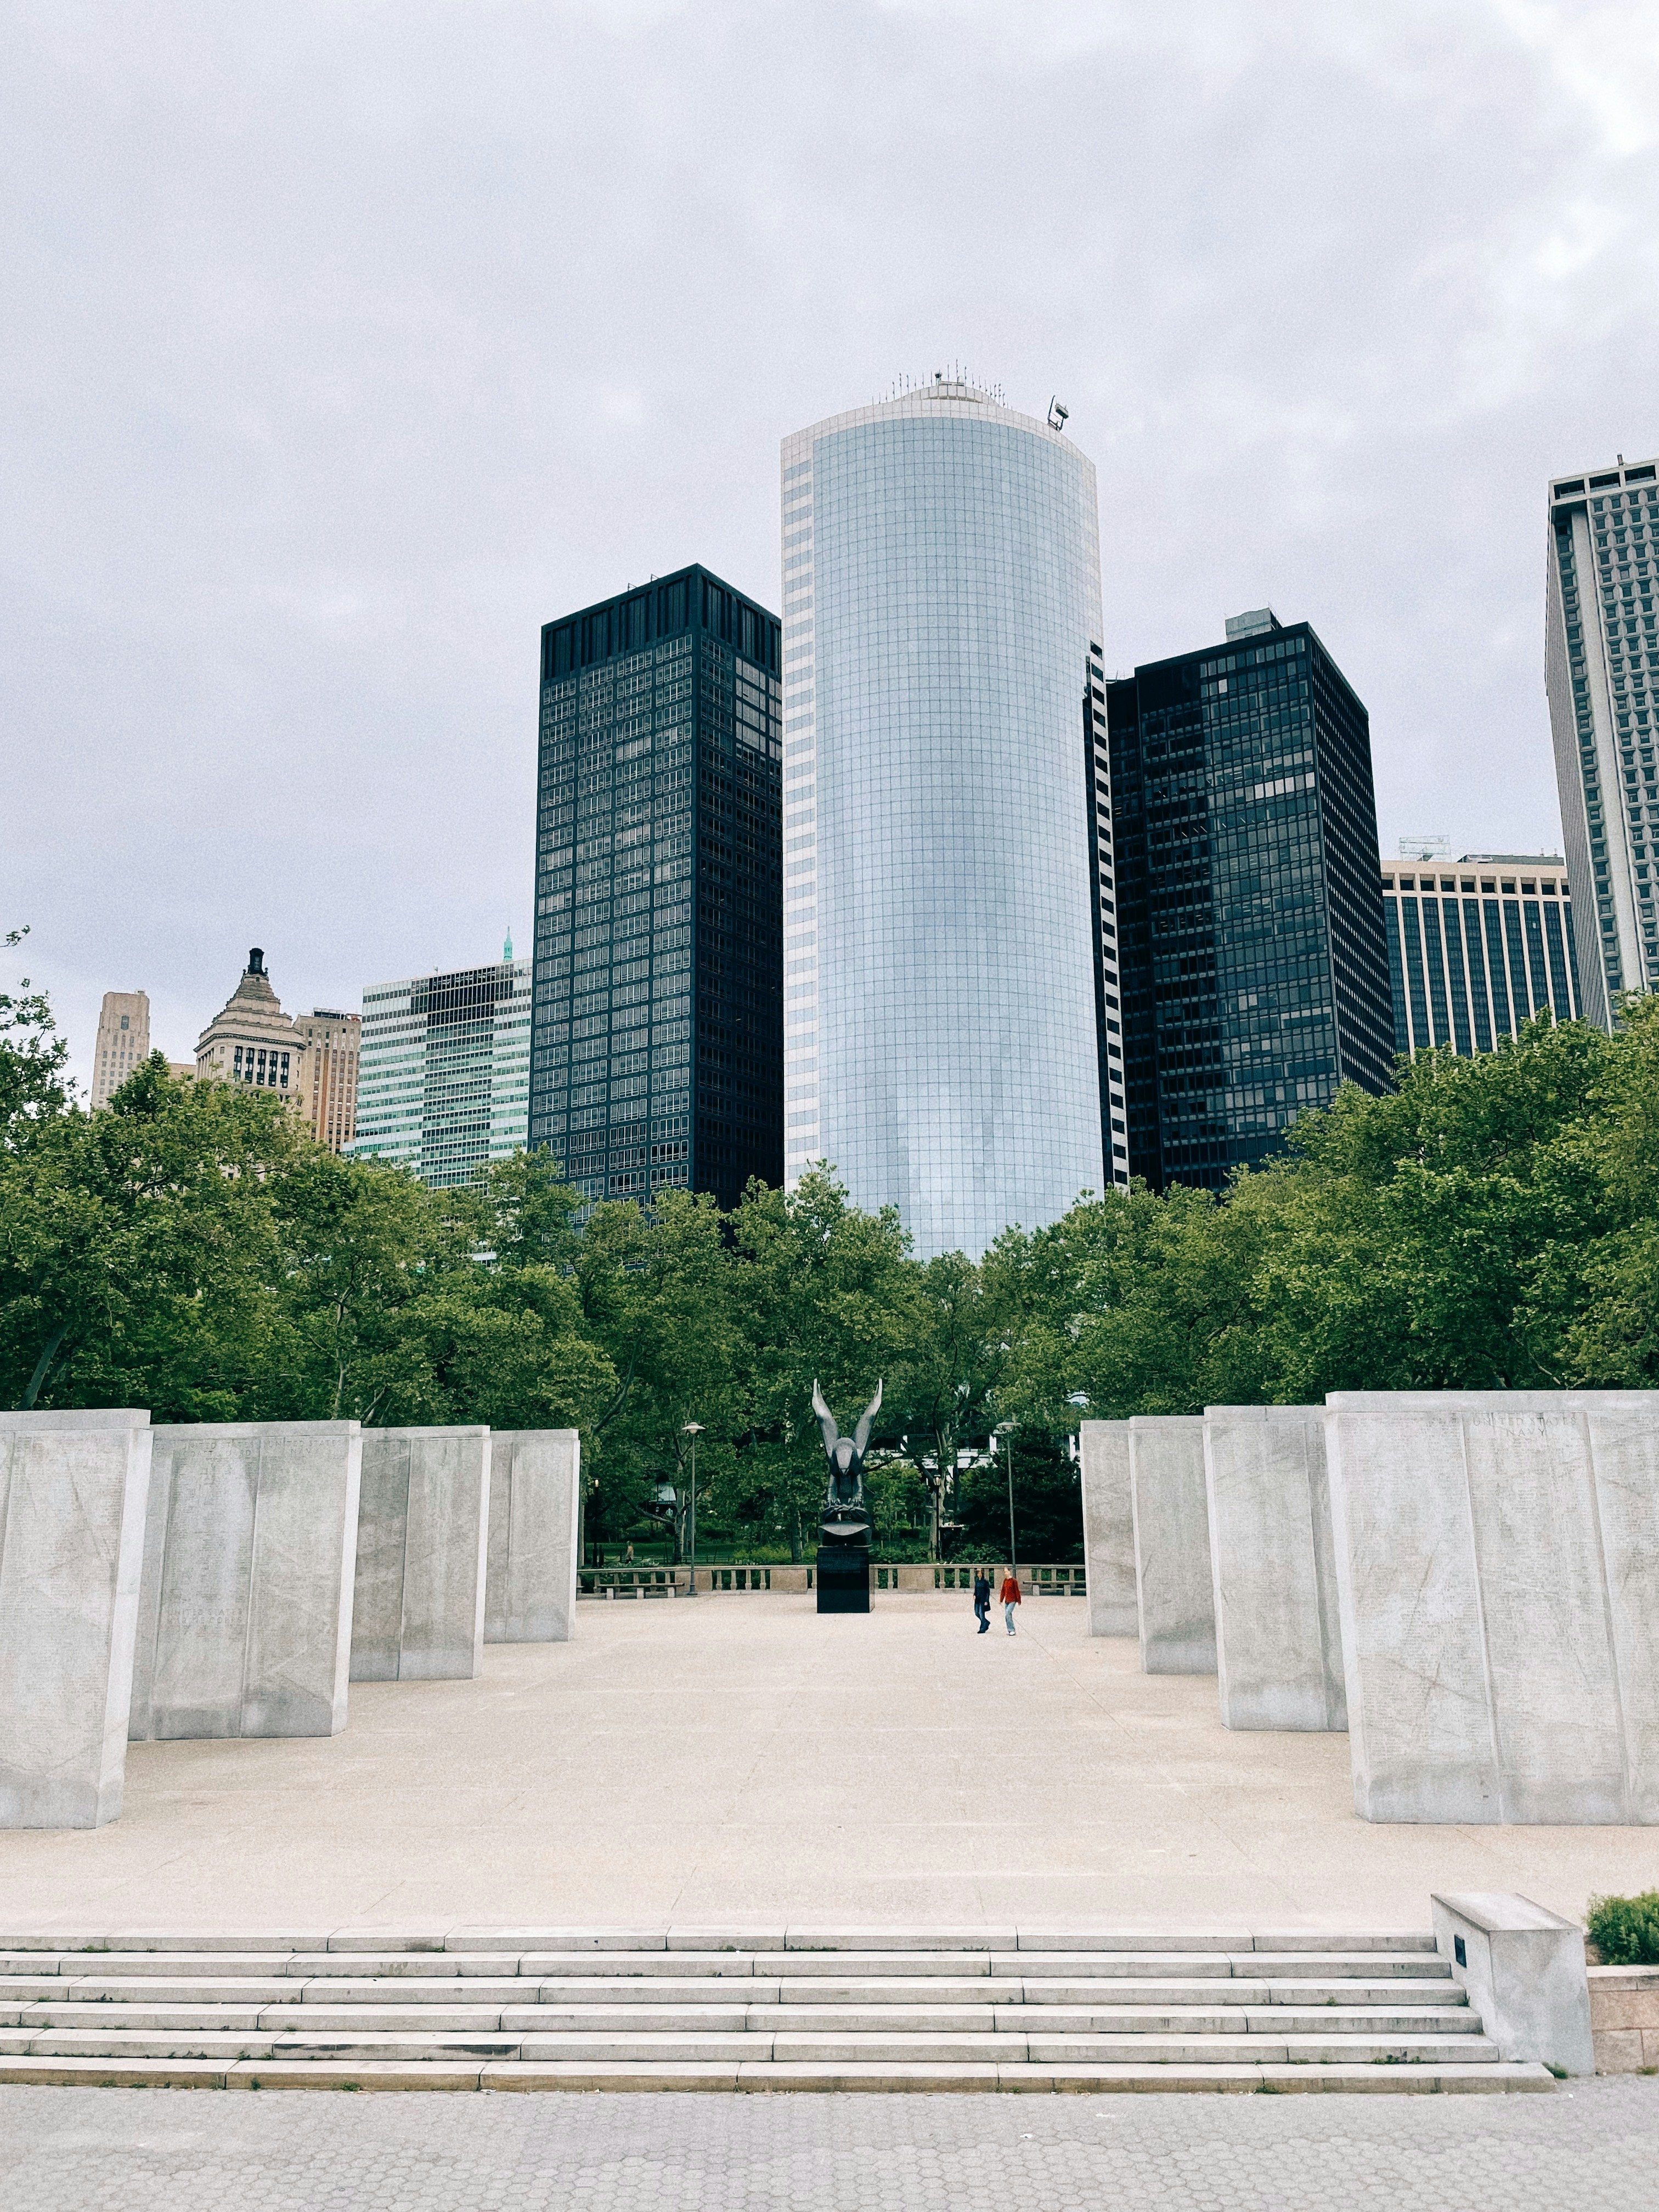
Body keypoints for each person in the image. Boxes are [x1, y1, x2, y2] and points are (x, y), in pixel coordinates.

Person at [1000, 1567, 1022, 1635]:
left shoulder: (1014, 1581)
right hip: (1007, 1600)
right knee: (1007, 1615)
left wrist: (1019, 1600)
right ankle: (1010, 1630)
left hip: (1013, 1600)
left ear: (1009, 1572)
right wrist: (1001, 1599)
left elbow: (1017, 1590)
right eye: (1005, 1572)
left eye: (1007, 1572)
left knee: (1008, 1613)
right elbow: (1003, 1590)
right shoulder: (1005, 1581)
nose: (1006, 1573)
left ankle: (1012, 1630)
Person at [972, 1569, 991, 1633]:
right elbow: (976, 1590)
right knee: (977, 1613)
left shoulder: (985, 1582)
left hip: (983, 1600)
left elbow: (988, 1592)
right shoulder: (977, 1581)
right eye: (978, 1574)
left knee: (981, 1613)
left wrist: (987, 1601)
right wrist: (974, 1594)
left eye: (980, 1573)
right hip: (978, 1599)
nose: (979, 1575)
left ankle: (983, 1628)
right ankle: (986, 1622)